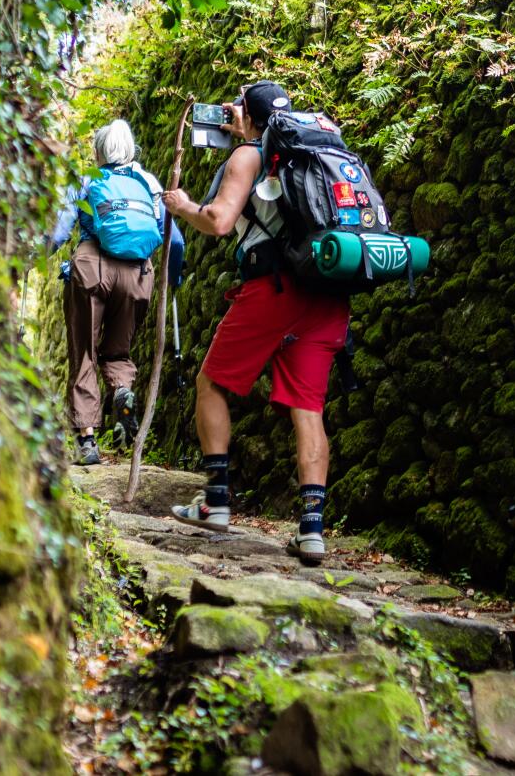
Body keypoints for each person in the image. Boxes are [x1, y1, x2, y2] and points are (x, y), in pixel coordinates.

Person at [161, 81, 349, 564]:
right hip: (327, 293)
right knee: (308, 409)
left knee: (212, 383)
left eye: (236, 110)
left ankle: (216, 502)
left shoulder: (249, 154)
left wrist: (183, 206)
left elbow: (221, 221)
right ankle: (311, 531)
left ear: (246, 115)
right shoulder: (312, 150)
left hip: (274, 288)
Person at [48, 119, 185, 465]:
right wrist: (173, 279)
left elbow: (59, 230)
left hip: (92, 266)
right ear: (130, 149)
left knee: (85, 354)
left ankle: (87, 441)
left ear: (98, 151)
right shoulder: (148, 183)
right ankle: (122, 390)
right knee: (118, 350)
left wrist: (30, 256)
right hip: (138, 273)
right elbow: (175, 239)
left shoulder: (86, 180)